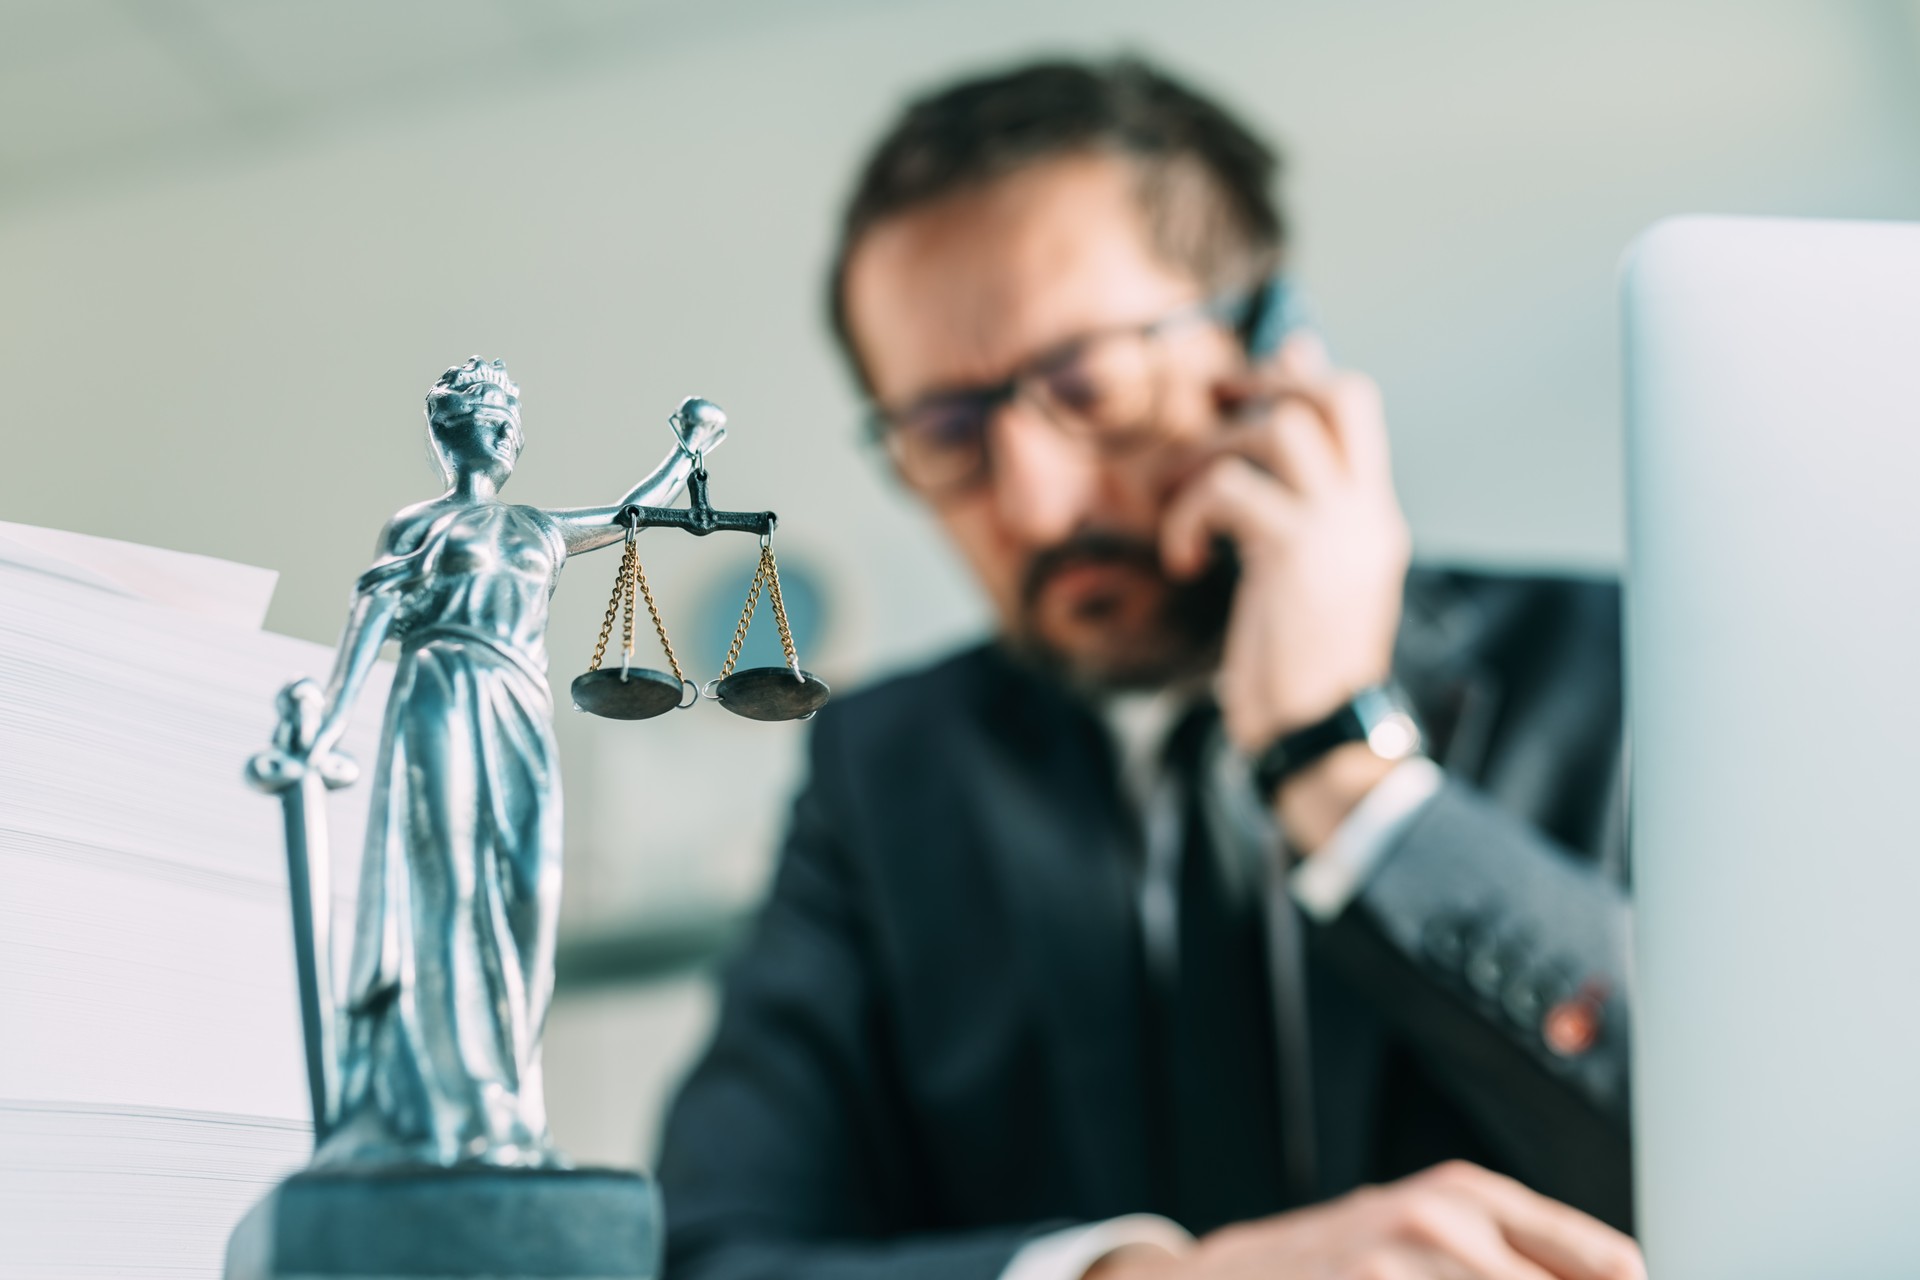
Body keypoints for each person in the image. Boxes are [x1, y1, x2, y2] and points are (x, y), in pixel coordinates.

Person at [656, 59, 1642, 1280]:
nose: (1031, 497)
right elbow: (701, 1256)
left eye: (1088, 387)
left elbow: (1787, 1169)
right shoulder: (885, 775)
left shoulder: (1617, 669)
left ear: (1273, 348)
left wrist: (1347, 772)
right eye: (946, 433)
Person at [276, 357, 724, 1168]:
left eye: (511, 418)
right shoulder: (416, 527)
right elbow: (374, 615)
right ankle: (459, 1101)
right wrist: (330, 721)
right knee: (445, 887)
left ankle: (513, 1102)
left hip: (522, 710)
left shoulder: (538, 529)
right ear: (447, 434)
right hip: (443, 694)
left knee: (527, 896)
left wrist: (690, 452)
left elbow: (630, 514)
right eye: (486, 414)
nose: (504, 429)